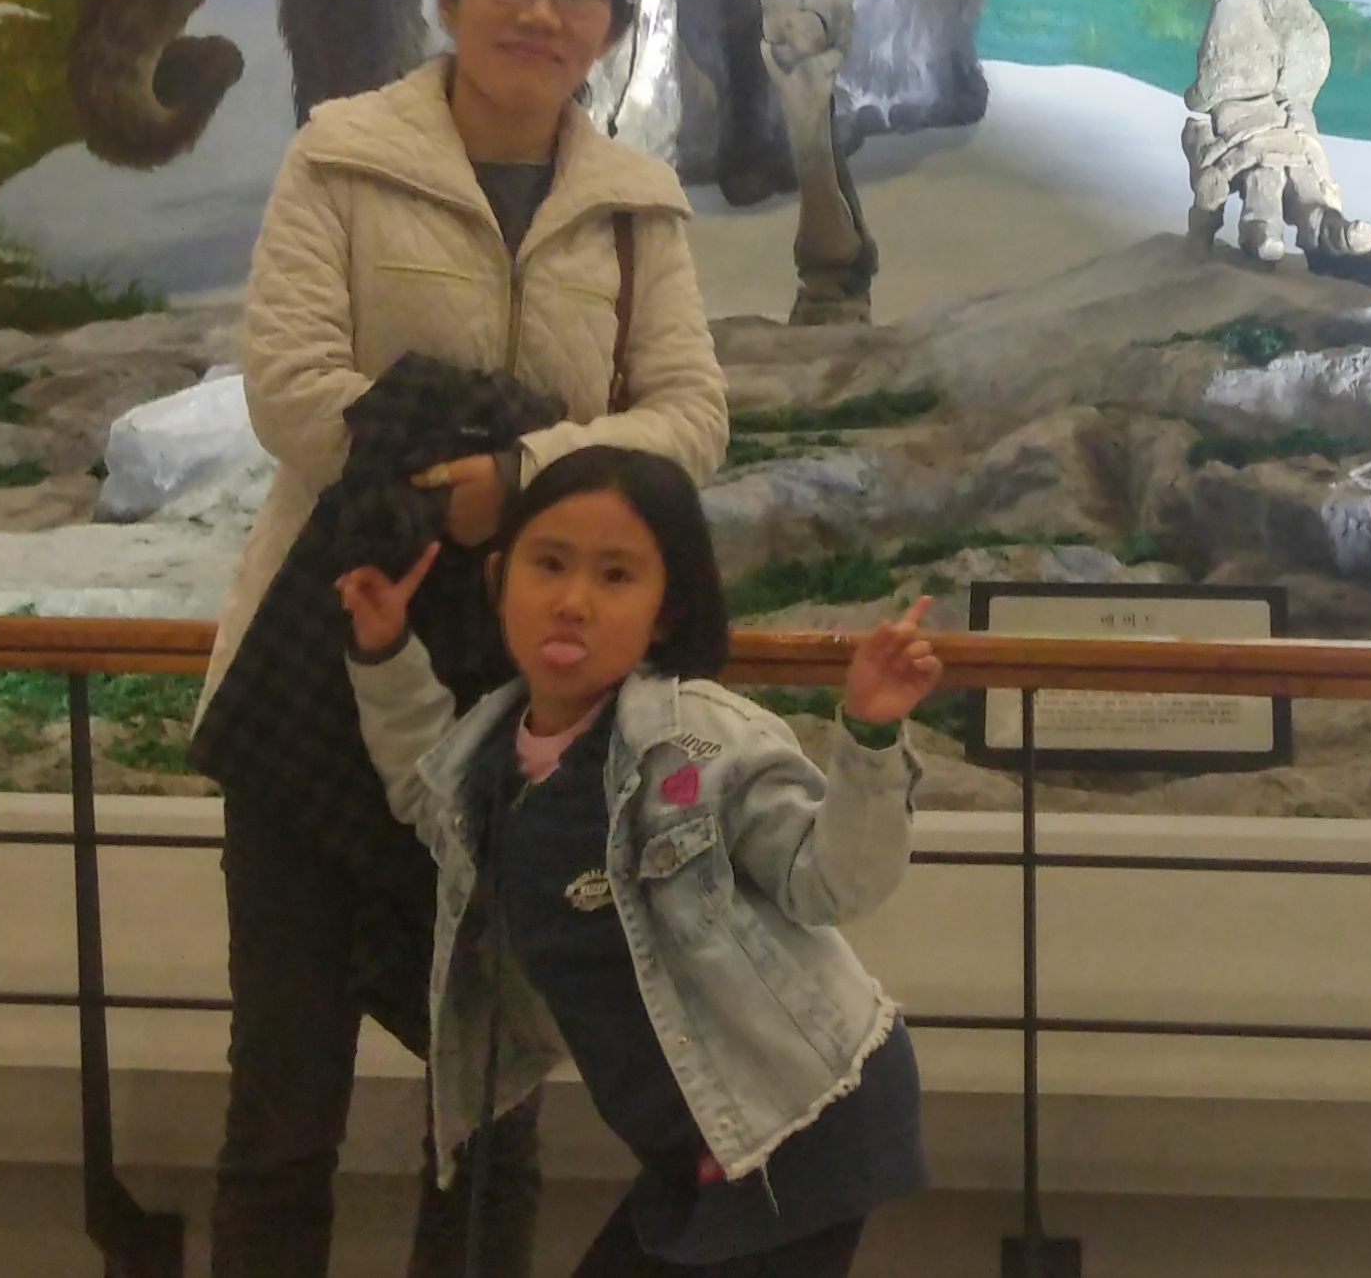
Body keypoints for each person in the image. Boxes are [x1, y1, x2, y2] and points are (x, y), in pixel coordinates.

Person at [199, 0, 735, 1278]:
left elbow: (690, 419)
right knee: (282, 1111)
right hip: (324, 665)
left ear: (611, 23)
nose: (539, 11)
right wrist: (466, 484)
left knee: (490, 1115)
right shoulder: (341, 155)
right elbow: (290, 388)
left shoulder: (634, 205)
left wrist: (525, 474)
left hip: (526, 707)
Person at [342, 447, 942, 1278]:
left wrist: (871, 736)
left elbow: (832, 883)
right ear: (499, 580)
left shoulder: (701, 738)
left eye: (617, 576)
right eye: (549, 564)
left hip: (807, 1116)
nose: (573, 602)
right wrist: (384, 654)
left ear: (666, 612)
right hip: (700, 1139)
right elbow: (424, 792)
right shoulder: (486, 756)